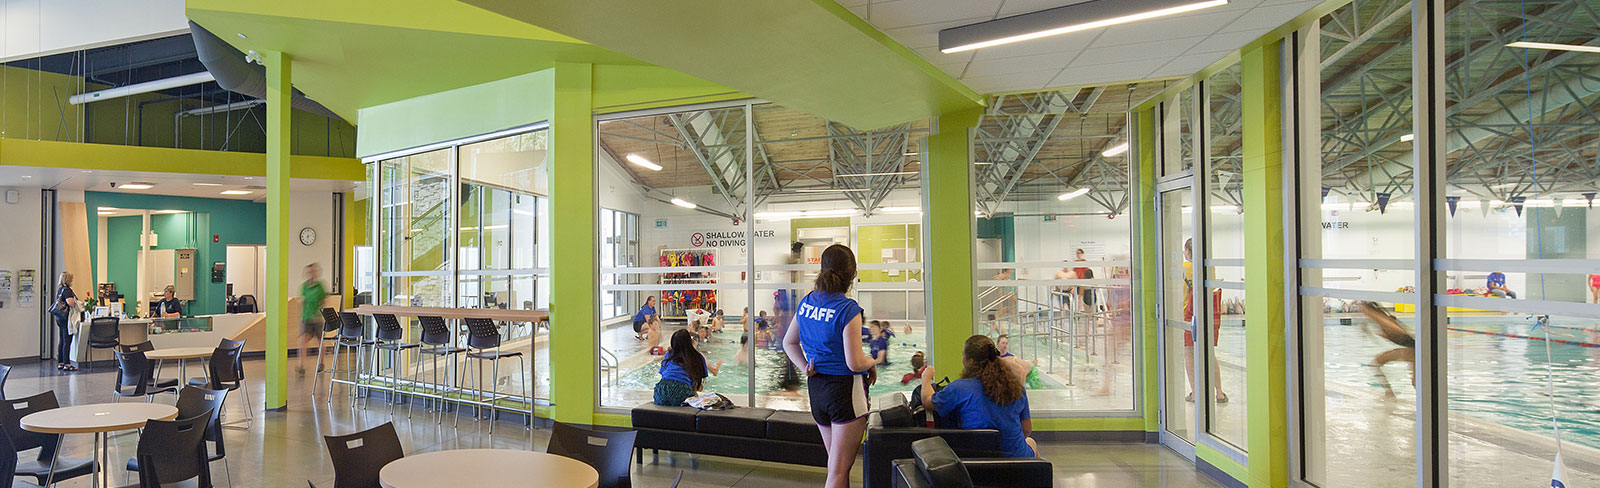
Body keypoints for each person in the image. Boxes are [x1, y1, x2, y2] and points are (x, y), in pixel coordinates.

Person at [782, 244, 876, 488]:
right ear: (852, 275)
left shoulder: (807, 302)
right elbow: (854, 362)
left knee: (837, 468)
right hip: (845, 391)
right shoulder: (848, 309)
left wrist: (804, 368)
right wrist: (872, 361)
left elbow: (789, 342)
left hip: (818, 390)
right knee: (837, 472)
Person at [920, 335, 1037, 458]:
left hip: (976, 458)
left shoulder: (959, 388)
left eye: (963, 355)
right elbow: (1027, 430)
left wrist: (926, 378)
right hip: (1014, 458)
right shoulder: (1017, 389)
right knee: (1030, 442)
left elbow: (927, 401)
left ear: (970, 361)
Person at [1182, 239, 1228, 404]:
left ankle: (1195, 392)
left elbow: (1179, 294)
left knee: (1189, 353)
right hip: (1208, 314)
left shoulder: (1185, 268)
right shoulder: (1209, 267)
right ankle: (1220, 393)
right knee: (1209, 353)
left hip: (1190, 315)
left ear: (1188, 252)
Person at [1357, 301, 1415, 400]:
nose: (1363, 313)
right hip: (1410, 348)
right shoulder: (1379, 319)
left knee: (1415, 382)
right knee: (1376, 363)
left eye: (1363, 310)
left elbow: (1402, 333)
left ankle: (1390, 393)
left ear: (1369, 310)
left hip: (1414, 349)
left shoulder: (1382, 319)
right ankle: (1389, 393)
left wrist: (1387, 334)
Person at [654, 329, 723, 406]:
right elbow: (699, 383)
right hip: (682, 391)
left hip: (661, 391)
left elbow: (664, 375)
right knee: (695, 395)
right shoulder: (697, 356)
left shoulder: (669, 355)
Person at [297, 264, 328, 375]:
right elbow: (303, 301)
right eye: (309, 272)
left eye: (313, 272)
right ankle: (301, 365)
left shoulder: (320, 286)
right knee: (303, 341)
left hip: (317, 318)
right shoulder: (304, 286)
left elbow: (324, 300)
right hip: (307, 317)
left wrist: (320, 310)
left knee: (320, 341)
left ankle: (321, 363)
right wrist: (301, 315)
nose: (311, 274)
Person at [51, 271, 79, 372]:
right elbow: (70, 303)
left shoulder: (60, 289)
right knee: (67, 340)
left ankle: (61, 362)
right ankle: (67, 363)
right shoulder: (67, 290)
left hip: (60, 318)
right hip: (66, 318)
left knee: (62, 340)